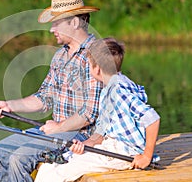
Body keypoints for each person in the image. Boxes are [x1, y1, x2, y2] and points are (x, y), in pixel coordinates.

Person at [0, 0, 103, 182]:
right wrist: (9, 105)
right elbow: (44, 97)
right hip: (55, 130)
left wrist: (59, 128)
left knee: (18, 159)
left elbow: (90, 112)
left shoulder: (95, 54)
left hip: (82, 136)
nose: (51, 29)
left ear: (74, 22)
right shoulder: (59, 56)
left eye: (56, 23)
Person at [34, 38, 161, 182]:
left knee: (55, 175)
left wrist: (146, 156)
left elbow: (152, 118)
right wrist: (83, 145)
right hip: (108, 146)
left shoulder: (118, 91)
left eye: (89, 65)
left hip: (122, 152)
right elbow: (100, 132)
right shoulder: (110, 88)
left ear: (97, 69)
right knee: (50, 166)